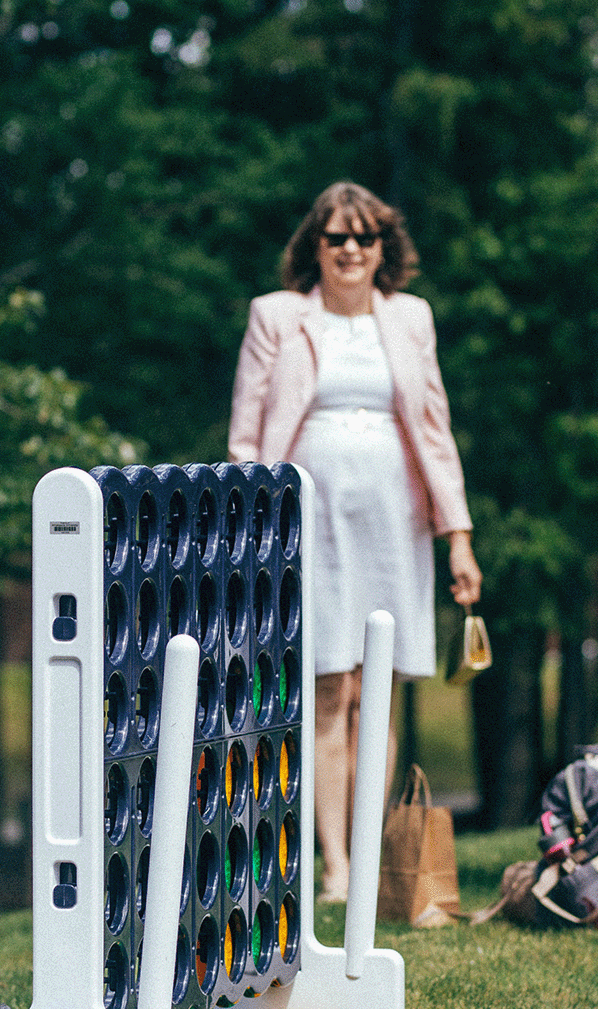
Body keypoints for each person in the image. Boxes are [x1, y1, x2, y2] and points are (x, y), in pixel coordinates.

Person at [228, 181, 481, 904]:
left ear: (383, 248)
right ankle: (333, 862)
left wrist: (458, 537)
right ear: (315, 245)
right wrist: (253, 531)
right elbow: (246, 438)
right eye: (336, 237)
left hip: (394, 522)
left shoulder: (410, 319)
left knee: (379, 691)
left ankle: (370, 859)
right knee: (328, 685)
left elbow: (434, 430)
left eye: (364, 237)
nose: (349, 250)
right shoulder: (277, 316)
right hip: (308, 521)